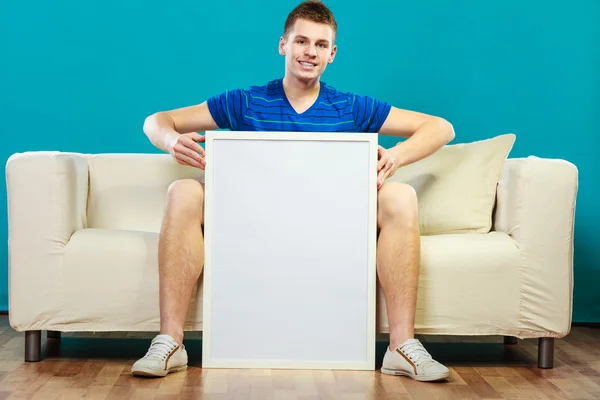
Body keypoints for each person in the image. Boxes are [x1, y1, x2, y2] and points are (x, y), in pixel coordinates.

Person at [132, 0, 455, 382]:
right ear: (283, 45)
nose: (310, 52)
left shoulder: (351, 107)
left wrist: (397, 156)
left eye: (320, 45)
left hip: (332, 216)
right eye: (301, 41)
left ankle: (402, 347)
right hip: (252, 214)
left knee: (401, 196)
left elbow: (441, 128)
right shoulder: (245, 102)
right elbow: (157, 120)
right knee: (183, 189)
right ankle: (170, 342)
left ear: (332, 54)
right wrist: (170, 141)